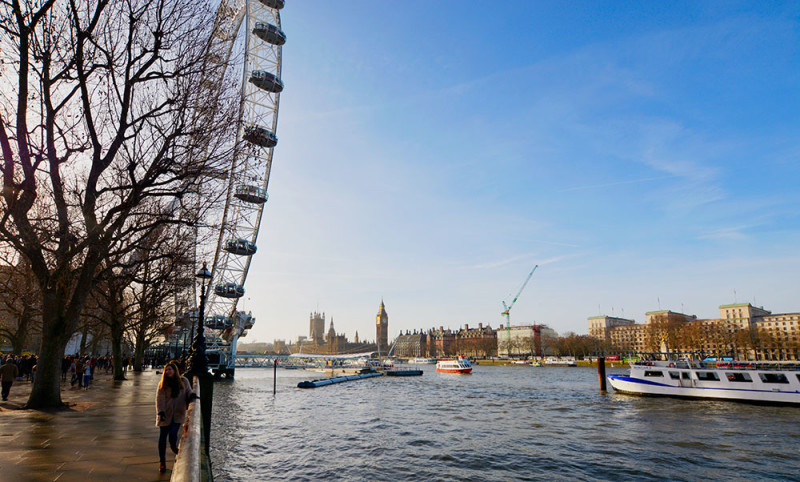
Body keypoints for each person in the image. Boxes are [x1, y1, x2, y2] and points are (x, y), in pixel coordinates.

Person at [155, 362, 195, 473]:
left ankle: (173, 446)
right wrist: (161, 412)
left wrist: (191, 396)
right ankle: (162, 462)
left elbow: (188, 392)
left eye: (170, 369)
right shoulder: (162, 384)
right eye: (166, 370)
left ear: (175, 370)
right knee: (162, 437)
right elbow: (159, 399)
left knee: (173, 433)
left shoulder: (184, 381)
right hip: (165, 414)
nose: (168, 371)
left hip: (178, 413)